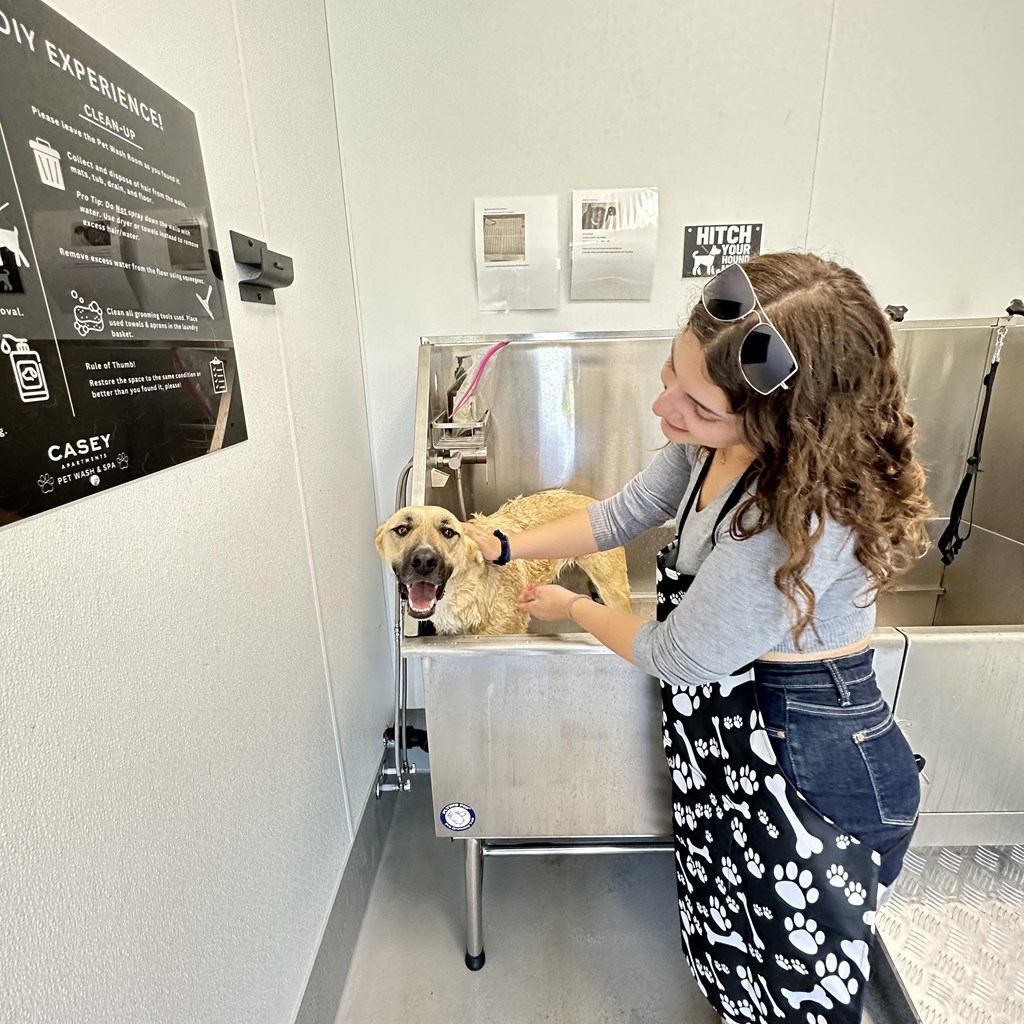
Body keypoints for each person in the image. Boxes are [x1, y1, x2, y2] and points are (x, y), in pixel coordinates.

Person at [464, 251, 931, 1024]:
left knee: (796, 978)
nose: (666, 411)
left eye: (698, 406)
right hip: (735, 737)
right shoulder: (712, 447)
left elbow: (675, 655)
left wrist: (570, 607)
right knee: (732, 926)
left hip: (803, 756)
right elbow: (619, 514)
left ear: (787, 424)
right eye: (669, 378)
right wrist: (506, 546)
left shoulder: (793, 520)